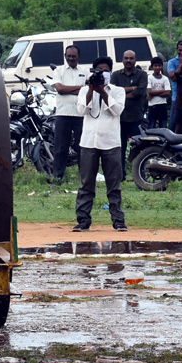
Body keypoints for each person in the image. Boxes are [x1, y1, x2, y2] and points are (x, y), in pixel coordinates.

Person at [73, 56, 127, 232]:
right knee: (86, 183)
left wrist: (103, 92)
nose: (102, 74)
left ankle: (118, 220)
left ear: (110, 72)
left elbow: (117, 110)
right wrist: (91, 90)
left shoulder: (118, 91)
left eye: (105, 71)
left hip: (111, 142)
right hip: (89, 142)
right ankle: (83, 219)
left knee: (114, 184)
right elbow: (82, 111)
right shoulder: (84, 91)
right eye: (99, 71)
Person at [48, 45, 86, 180]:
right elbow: (60, 89)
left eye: (73, 56)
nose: (71, 58)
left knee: (83, 147)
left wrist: (72, 89)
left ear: (79, 57)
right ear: (65, 56)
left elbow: (86, 91)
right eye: (68, 56)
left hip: (80, 114)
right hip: (63, 114)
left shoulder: (85, 71)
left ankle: (85, 177)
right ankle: (58, 177)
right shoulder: (59, 71)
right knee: (60, 147)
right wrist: (80, 88)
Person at [110, 50, 147, 166]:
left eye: (131, 58)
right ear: (122, 60)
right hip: (119, 118)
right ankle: (121, 175)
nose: (128, 61)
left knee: (139, 148)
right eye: (126, 58)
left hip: (136, 118)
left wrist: (121, 93)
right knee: (119, 148)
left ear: (135, 60)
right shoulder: (115, 75)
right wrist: (132, 89)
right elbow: (112, 93)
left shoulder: (142, 75)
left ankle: (139, 172)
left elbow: (140, 92)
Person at [145, 56, 170, 130]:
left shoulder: (165, 78)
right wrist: (162, 90)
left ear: (162, 66)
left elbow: (167, 93)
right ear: (152, 67)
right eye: (155, 65)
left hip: (163, 105)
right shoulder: (149, 78)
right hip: (152, 105)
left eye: (159, 65)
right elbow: (149, 91)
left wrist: (153, 94)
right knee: (151, 126)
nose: (157, 67)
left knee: (163, 126)